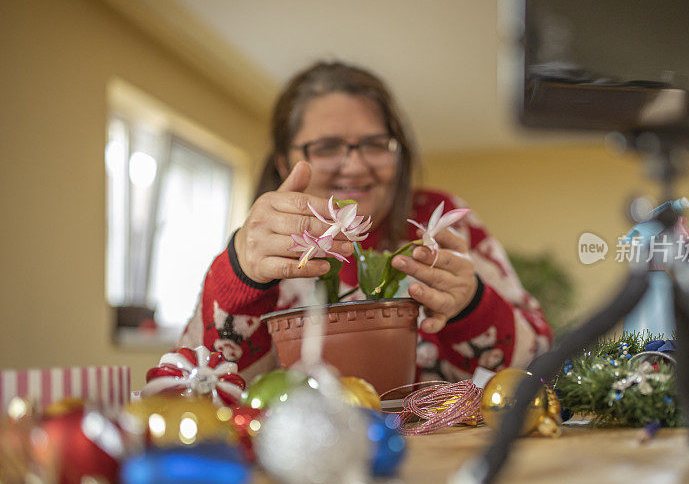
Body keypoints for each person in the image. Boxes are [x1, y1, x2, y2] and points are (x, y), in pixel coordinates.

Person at [178, 61, 553, 383]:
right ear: (283, 163)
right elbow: (194, 382)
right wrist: (239, 279)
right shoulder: (262, 248)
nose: (356, 167)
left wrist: (472, 306)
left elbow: (542, 361)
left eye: (375, 144)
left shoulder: (442, 223)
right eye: (326, 147)